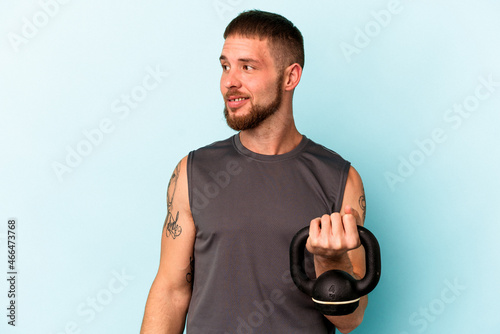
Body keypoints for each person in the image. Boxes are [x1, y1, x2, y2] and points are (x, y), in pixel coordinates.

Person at [141, 10, 369, 334]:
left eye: (247, 67)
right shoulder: (193, 172)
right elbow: (171, 291)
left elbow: (350, 319)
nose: (229, 82)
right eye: (225, 66)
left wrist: (330, 262)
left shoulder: (340, 180)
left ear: (290, 77)